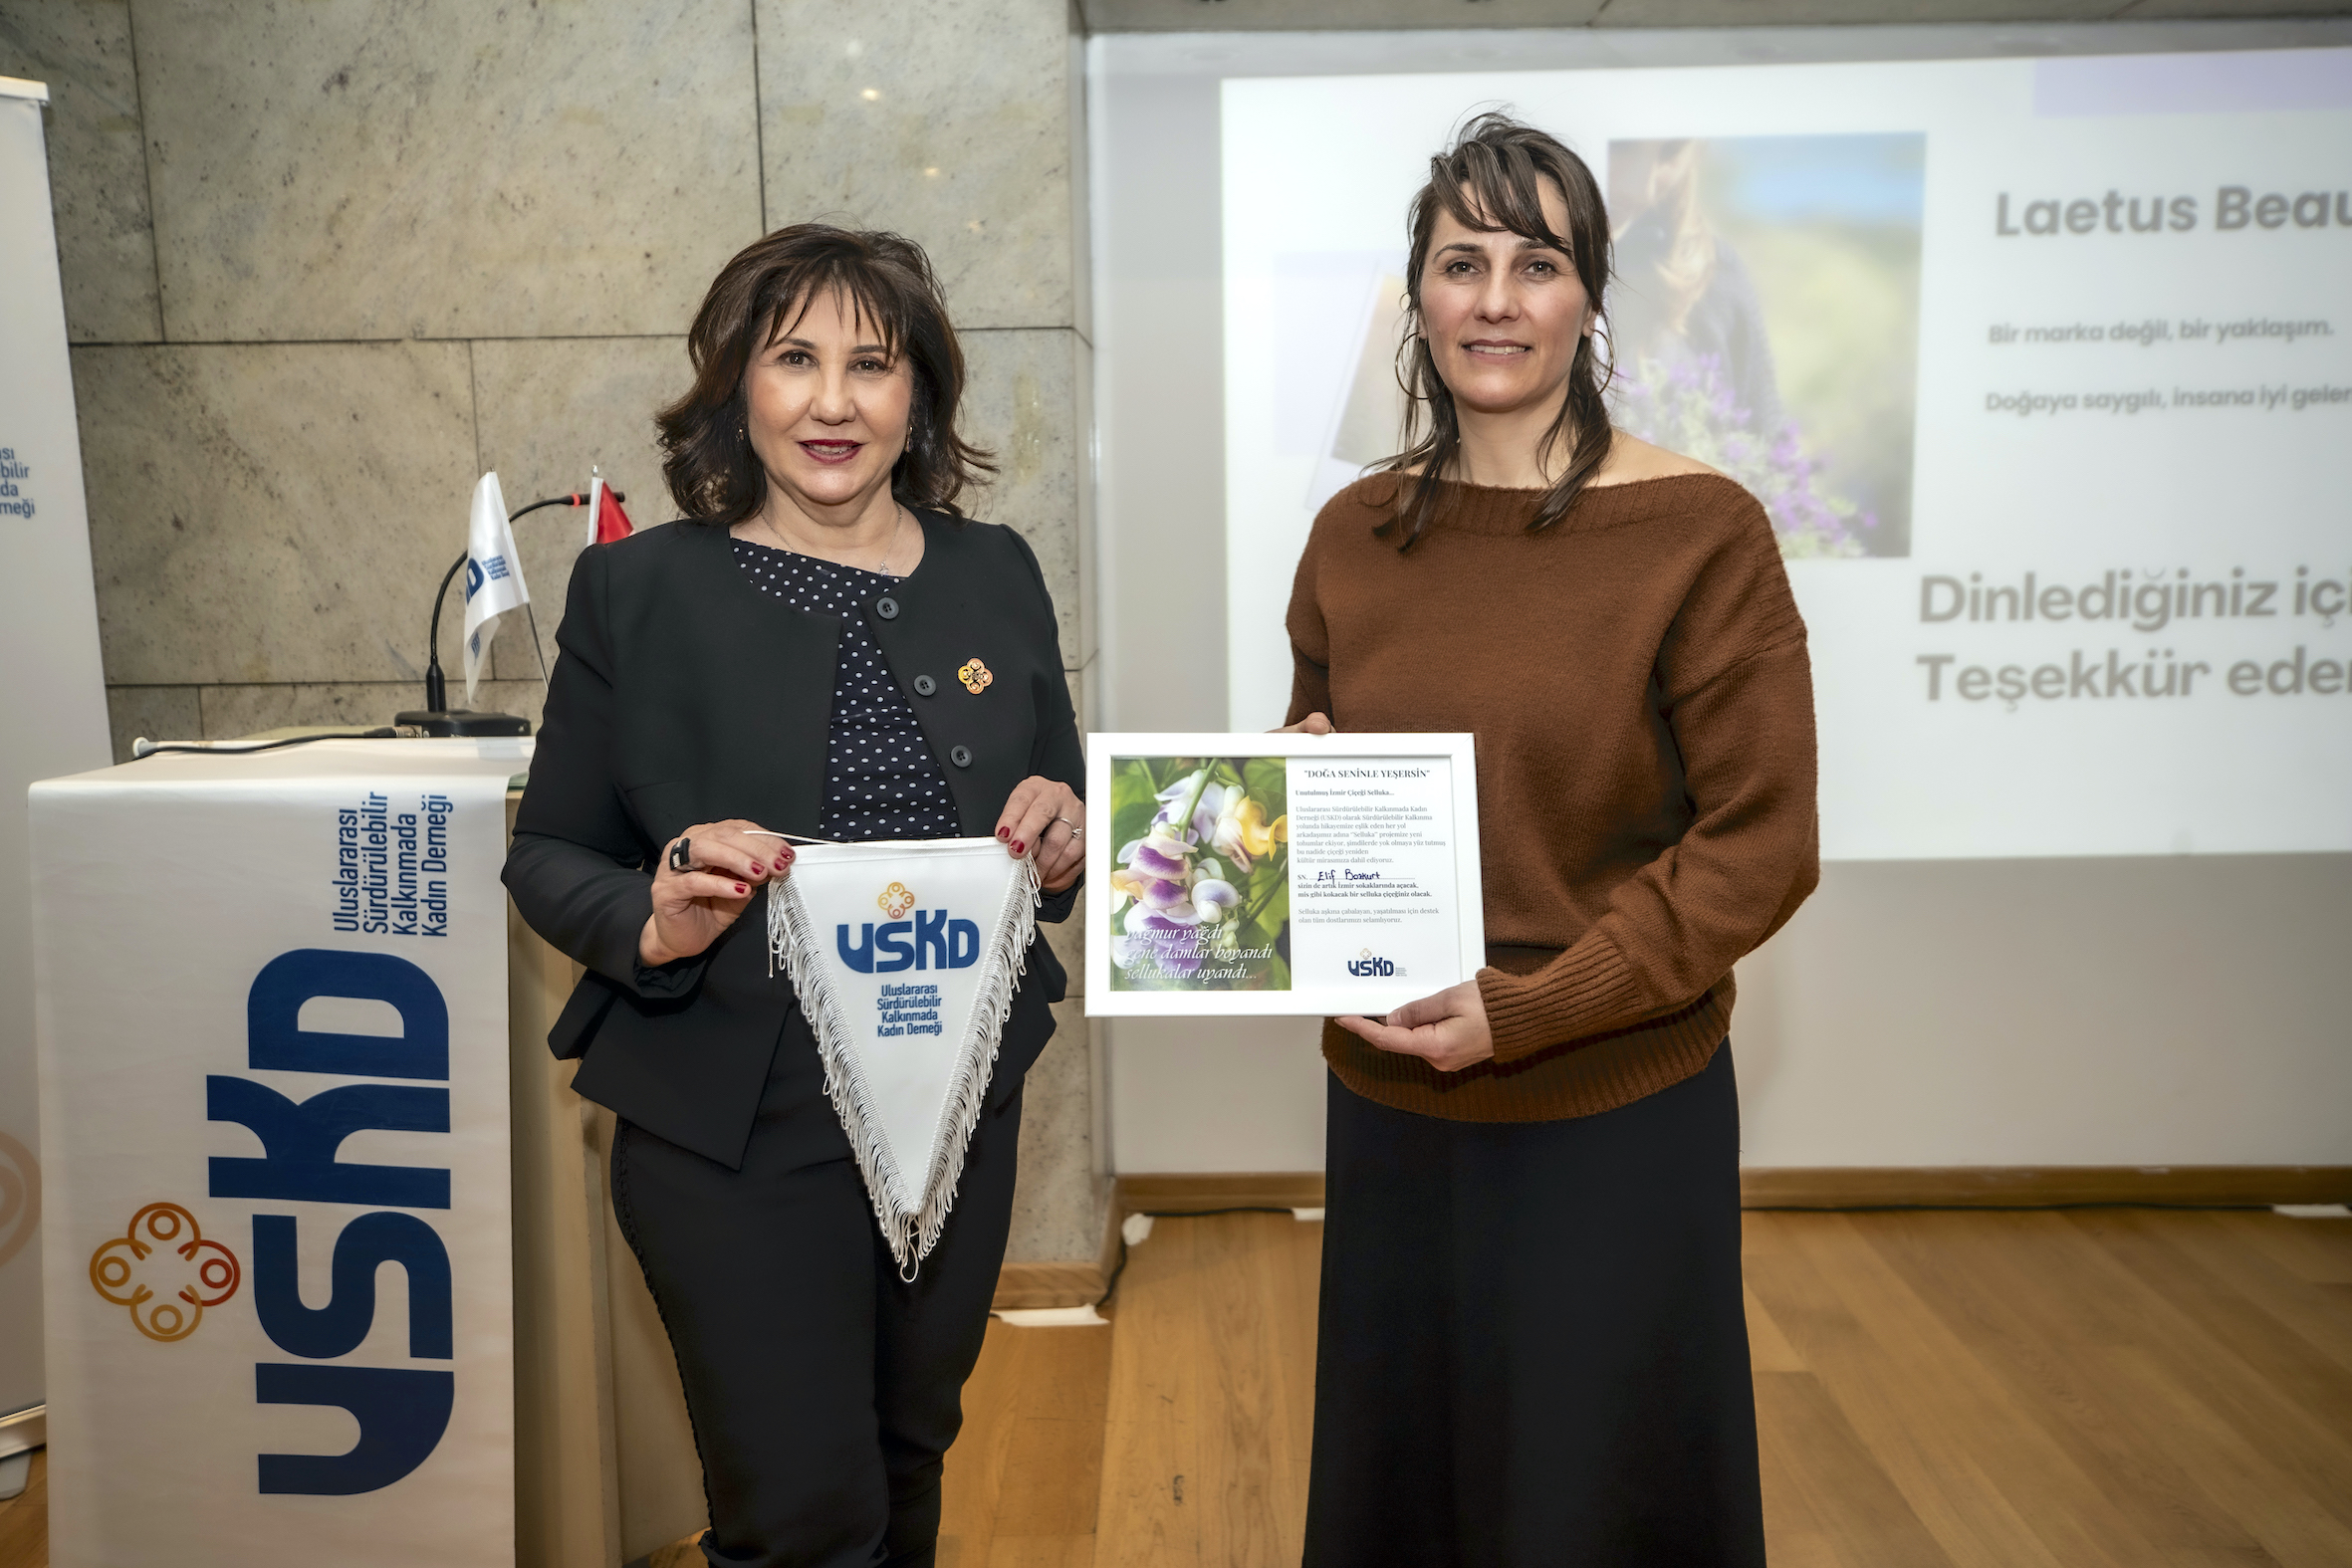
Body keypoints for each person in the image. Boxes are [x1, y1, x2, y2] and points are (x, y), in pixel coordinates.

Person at [503, 224, 1084, 1568]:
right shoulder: (636, 590)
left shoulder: (997, 570)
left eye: (871, 364)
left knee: (907, 1456)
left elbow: (1051, 806)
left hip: (957, 1102)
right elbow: (551, 853)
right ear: (735, 386)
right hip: (734, 1121)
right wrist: (652, 913)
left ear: (918, 392)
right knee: (801, 1517)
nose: (834, 402)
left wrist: (1059, 835)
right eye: (794, 360)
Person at [1285, 113, 1819, 1566]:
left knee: (1599, 1504)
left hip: (1610, 1103)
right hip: (1394, 1097)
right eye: (1462, 263)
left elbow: (1762, 842)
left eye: (1538, 263)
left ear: (1590, 296)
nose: (1497, 300)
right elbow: (1321, 762)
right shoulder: (1350, 534)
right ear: (1418, 294)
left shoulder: (1699, 530)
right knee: (1411, 1494)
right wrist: (1283, 802)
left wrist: (1530, 1011)